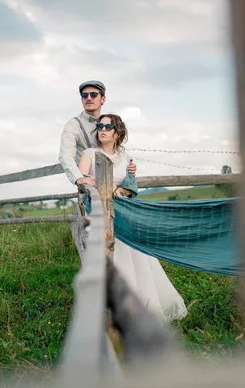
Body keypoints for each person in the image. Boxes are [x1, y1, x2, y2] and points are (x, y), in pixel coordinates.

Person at [78, 114, 188, 323]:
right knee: (110, 257)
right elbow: (83, 180)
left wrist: (122, 191)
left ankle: (141, 307)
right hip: (100, 212)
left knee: (136, 259)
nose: (102, 129)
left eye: (108, 126)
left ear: (117, 132)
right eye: (99, 126)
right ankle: (111, 310)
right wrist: (104, 188)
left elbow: (131, 185)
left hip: (125, 214)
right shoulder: (89, 154)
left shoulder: (125, 158)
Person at [58, 80, 136, 188]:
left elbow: (114, 148)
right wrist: (78, 177)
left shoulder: (107, 121)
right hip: (92, 187)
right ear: (82, 100)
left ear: (103, 99)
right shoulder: (73, 125)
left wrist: (127, 166)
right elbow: (65, 155)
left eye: (94, 95)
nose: (89, 98)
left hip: (115, 183)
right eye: (85, 95)